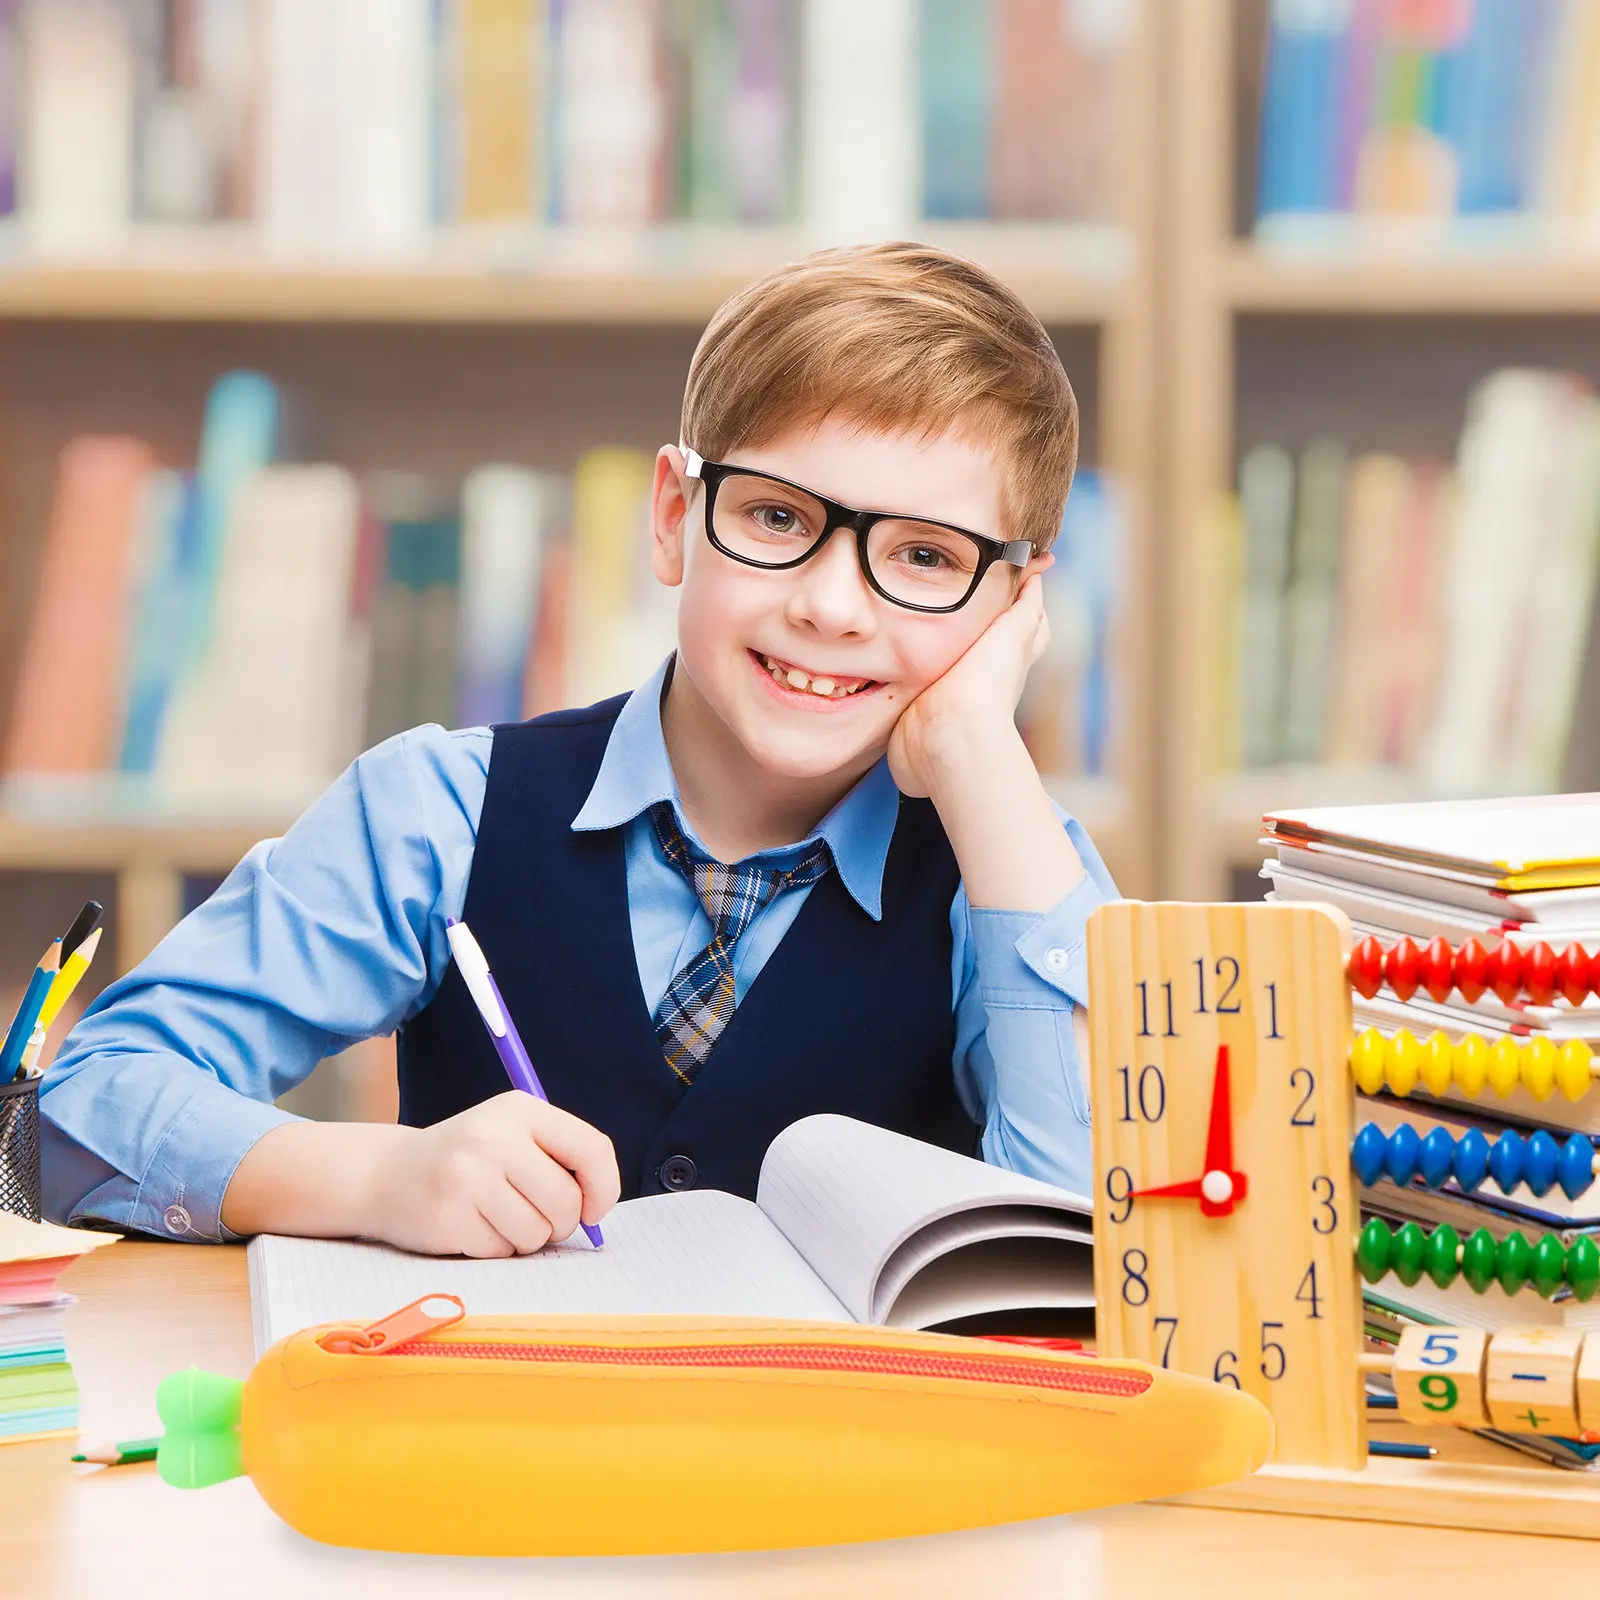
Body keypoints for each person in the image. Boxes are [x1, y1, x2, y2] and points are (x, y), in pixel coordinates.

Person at [40, 241, 1116, 1257]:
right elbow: (80, 1108)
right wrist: (372, 1178)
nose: (832, 607)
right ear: (670, 516)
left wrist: (978, 743)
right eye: (779, 519)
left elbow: (1102, 1237)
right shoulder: (442, 810)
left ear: (1017, 603)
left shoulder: (1010, 873)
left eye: (926, 556)